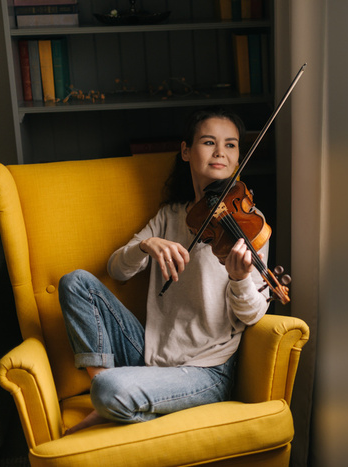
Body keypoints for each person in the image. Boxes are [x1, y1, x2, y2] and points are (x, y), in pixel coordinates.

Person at [58, 108, 270, 434]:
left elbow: (253, 314)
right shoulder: (170, 216)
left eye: (230, 145)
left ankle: (110, 398)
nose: (220, 153)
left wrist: (240, 278)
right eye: (209, 142)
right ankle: (109, 391)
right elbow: (117, 269)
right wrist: (147, 245)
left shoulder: (249, 223)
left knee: (110, 389)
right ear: (186, 151)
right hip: (150, 353)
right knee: (75, 282)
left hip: (205, 370)